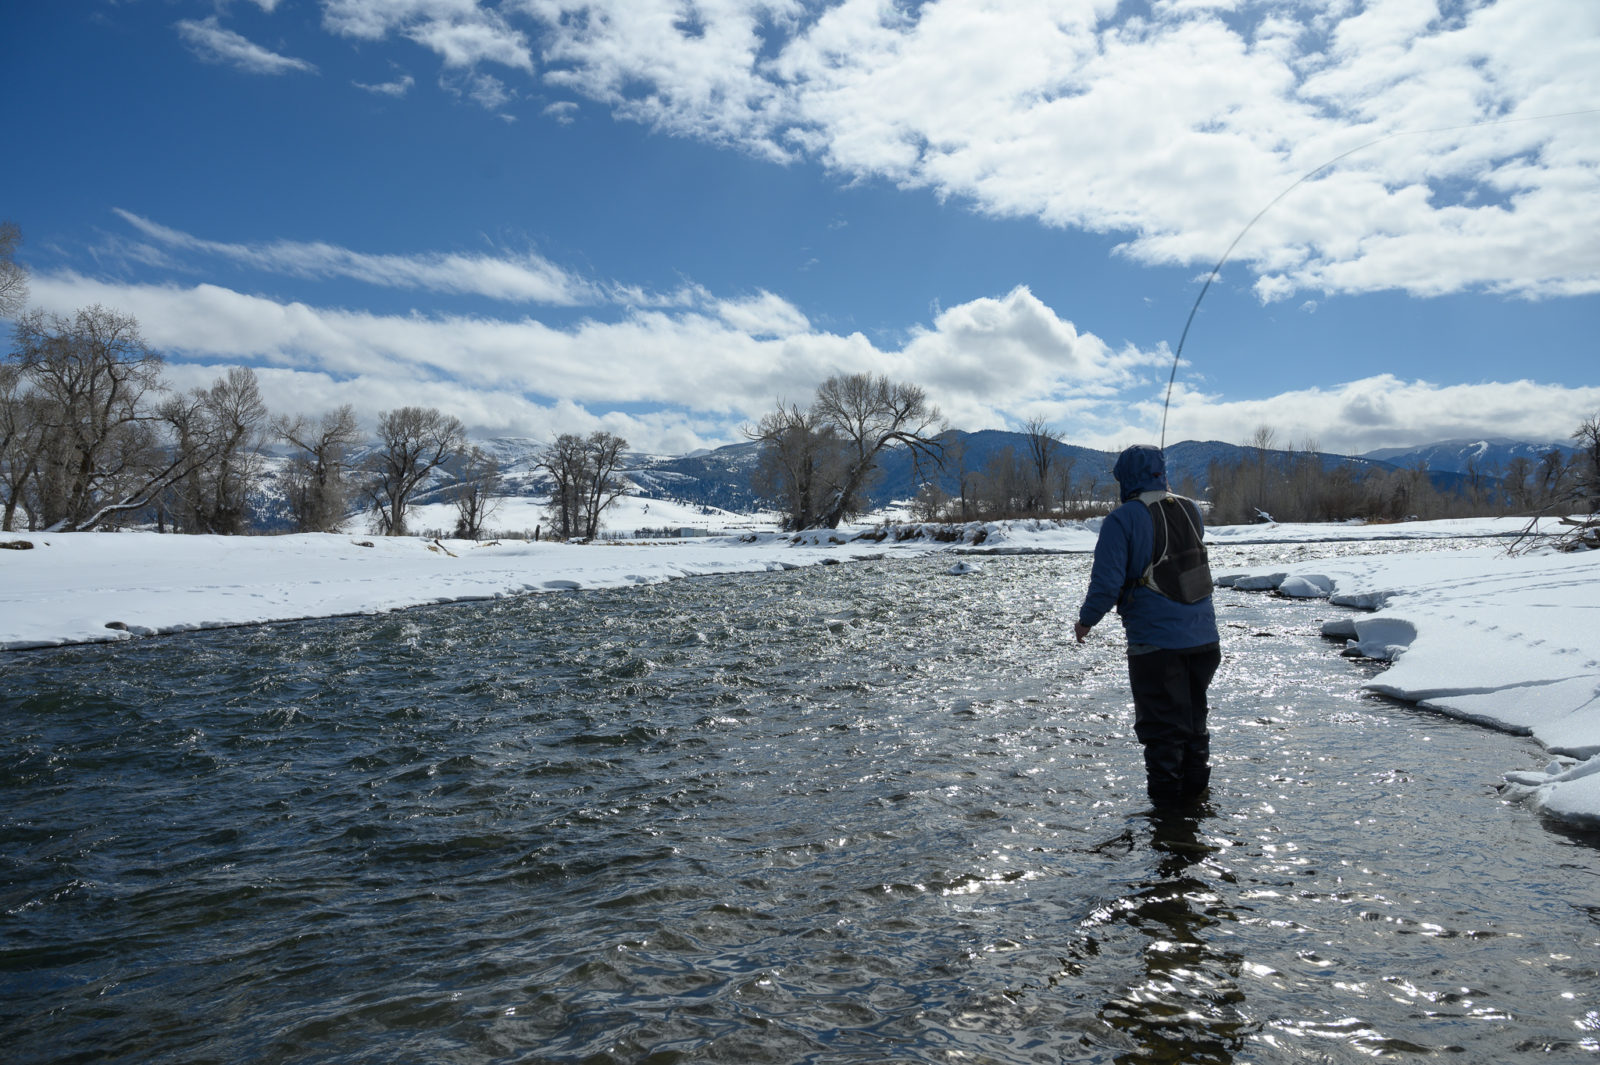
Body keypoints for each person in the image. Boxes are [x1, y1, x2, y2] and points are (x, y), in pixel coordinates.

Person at [1074, 444, 1220, 810]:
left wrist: (1086, 621)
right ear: (1161, 472)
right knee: (1193, 726)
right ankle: (1196, 807)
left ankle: (1169, 824)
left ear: (1126, 479)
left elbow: (1107, 584)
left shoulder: (1122, 519)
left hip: (1157, 645)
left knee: (1162, 735)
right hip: (1205, 640)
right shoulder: (1191, 510)